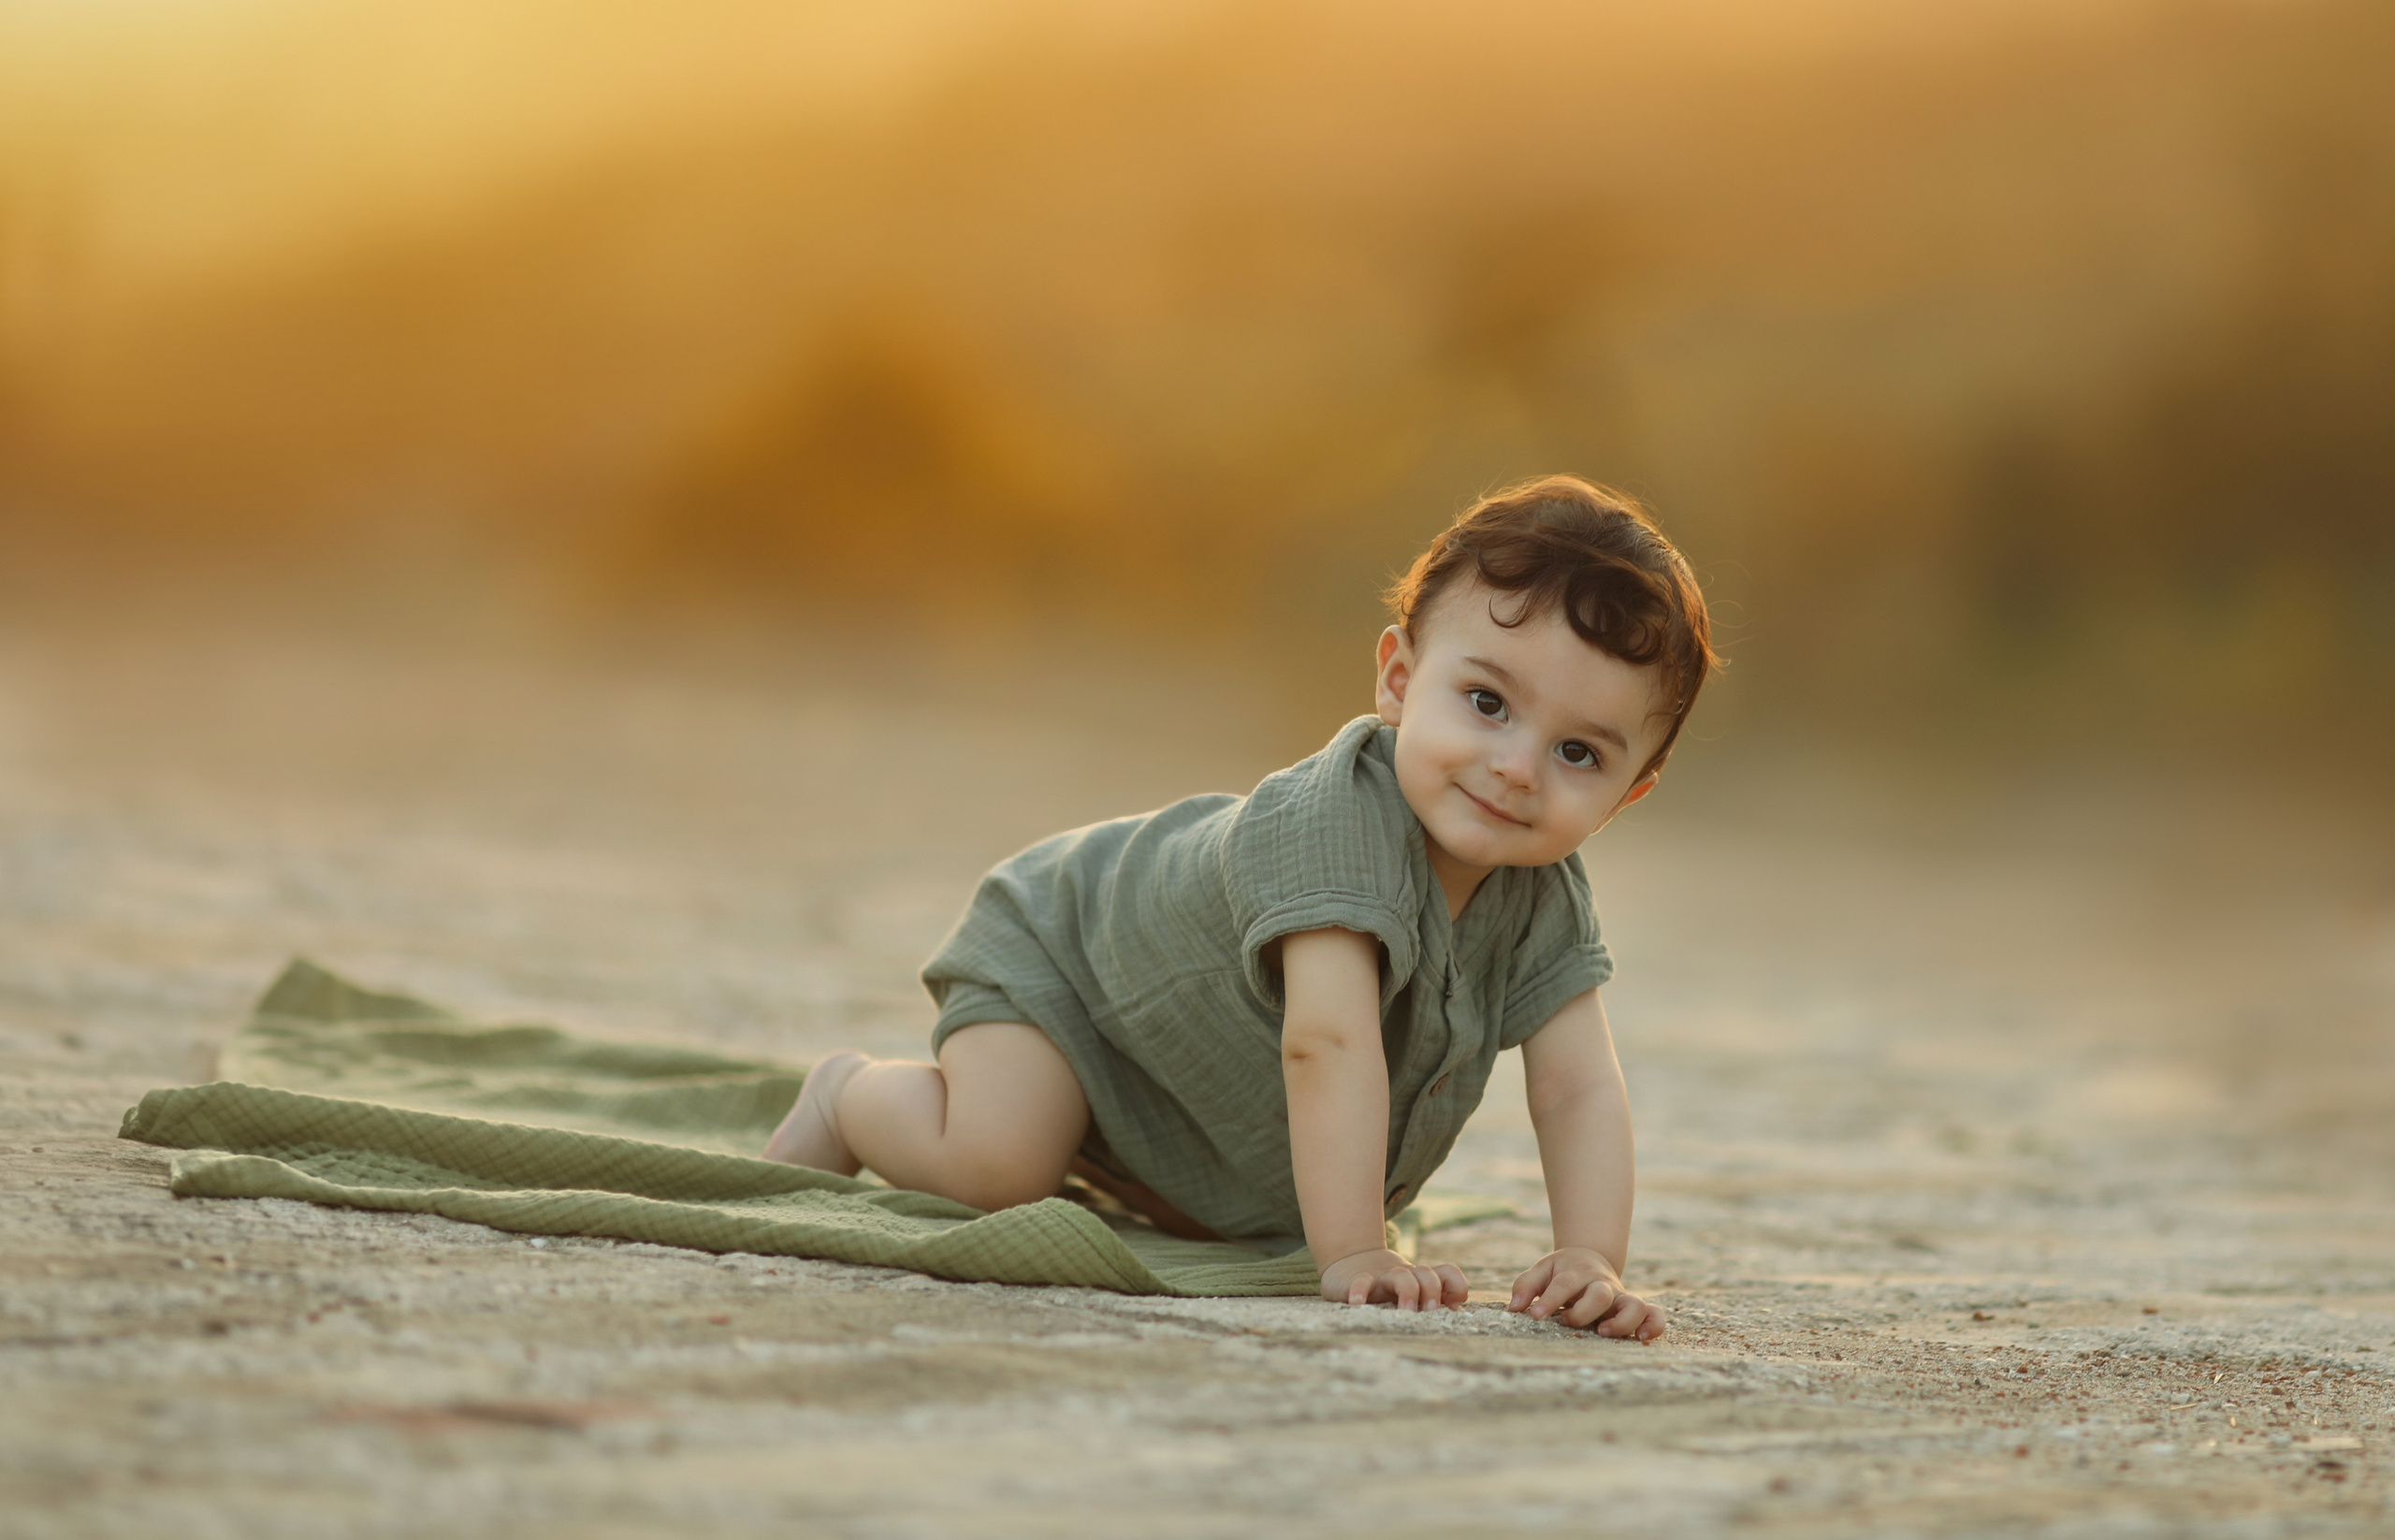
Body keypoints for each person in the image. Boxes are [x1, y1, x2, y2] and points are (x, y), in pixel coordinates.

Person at [765, 475, 1716, 1339]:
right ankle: (847, 1094)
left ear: (1628, 792)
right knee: (1000, 1167)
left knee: (1232, 1215)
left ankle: (1136, 1156)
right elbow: (1326, 1043)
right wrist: (1352, 1250)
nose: (1515, 767)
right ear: (1399, 679)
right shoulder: (1335, 823)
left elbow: (1577, 1086)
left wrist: (1591, 1256)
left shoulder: (1543, 890)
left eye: (1578, 753)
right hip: (1064, 963)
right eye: (1486, 702)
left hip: (1178, 1073)